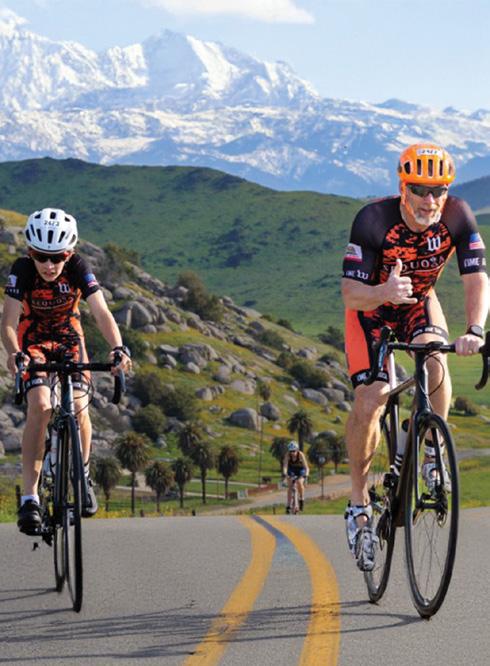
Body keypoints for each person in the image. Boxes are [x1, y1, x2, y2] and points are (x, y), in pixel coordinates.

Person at [341, 143, 488, 571]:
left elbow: (477, 278)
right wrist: (383, 292)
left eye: (438, 190)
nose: (429, 199)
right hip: (370, 308)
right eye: (420, 189)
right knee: (372, 398)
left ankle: (429, 449)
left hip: (419, 303)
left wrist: (475, 330)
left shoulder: (458, 216)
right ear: (402, 188)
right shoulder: (373, 220)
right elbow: (350, 293)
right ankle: (358, 503)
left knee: (436, 362)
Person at [1, 208, 132, 534]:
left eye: (57, 257)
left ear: (69, 253)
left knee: (80, 406)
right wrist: (14, 353)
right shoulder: (22, 270)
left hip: (70, 338)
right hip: (32, 341)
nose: (49, 265)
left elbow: (101, 312)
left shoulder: (77, 267)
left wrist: (118, 347)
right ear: (30, 252)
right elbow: (8, 322)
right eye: (40, 256)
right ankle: (30, 498)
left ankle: (82, 474)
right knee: (41, 405)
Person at [282, 440, 309, 513]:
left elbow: (306, 467)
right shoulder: (287, 455)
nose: (292, 453)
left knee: (300, 482)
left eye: (294, 451)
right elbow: (285, 466)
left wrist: (306, 476)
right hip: (292, 470)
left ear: (297, 450)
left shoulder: (300, 455)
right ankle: (288, 505)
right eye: (291, 451)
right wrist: (285, 474)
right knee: (290, 486)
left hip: (301, 470)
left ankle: (301, 499)